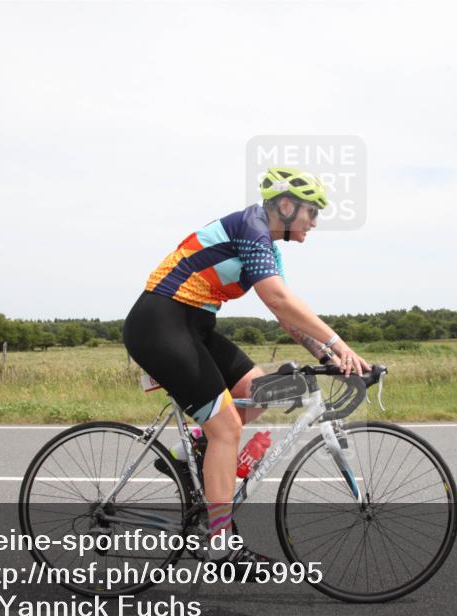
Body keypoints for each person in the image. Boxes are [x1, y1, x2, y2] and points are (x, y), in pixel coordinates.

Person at [122, 167, 371, 573]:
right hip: (160, 324)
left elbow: (290, 319)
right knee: (227, 429)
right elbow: (277, 299)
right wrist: (339, 343)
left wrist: (332, 359)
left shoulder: (266, 245)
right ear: (286, 206)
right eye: (312, 211)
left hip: (194, 325)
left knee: (259, 390)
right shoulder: (251, 225)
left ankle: (192, 454)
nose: (315, 221)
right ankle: (220, 547)